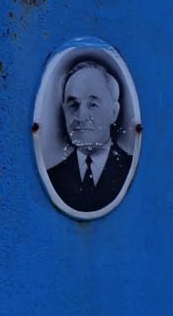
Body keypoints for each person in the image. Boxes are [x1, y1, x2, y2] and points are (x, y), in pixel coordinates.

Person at [47, 57, 133, 213]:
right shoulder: (53, 177)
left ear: (114, 112)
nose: (80, 115)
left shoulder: (132, 170)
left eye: (93, 104)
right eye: (73, 105)